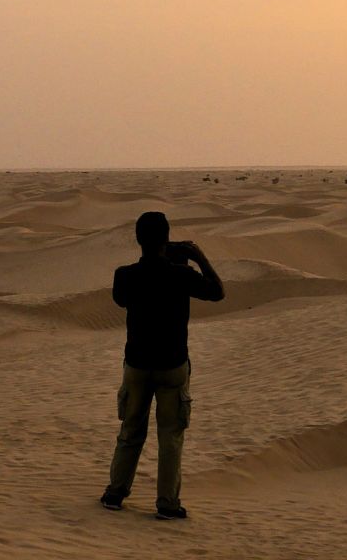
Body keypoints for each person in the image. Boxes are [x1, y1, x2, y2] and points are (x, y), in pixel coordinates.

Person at [99, 211, 224, 519]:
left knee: (130, 431)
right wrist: (197, 257)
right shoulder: (180, 275)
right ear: (167, 240)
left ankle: (115, 493)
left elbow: (122, 298)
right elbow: (217, 291)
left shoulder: (125, 275)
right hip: (172, 366)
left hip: (138, 366)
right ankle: (167, 503)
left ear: (138, 240)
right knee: (170, 437)